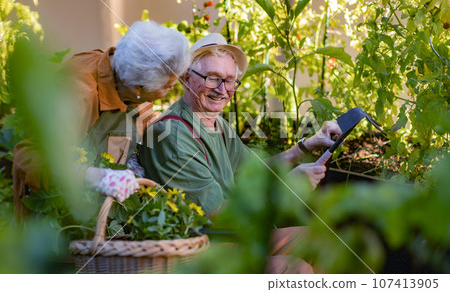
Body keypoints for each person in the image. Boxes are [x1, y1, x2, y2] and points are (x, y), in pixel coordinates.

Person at [138, 33, 341, 215]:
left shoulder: (216, 124)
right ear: (186, 78)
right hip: (208, 248)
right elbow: (216, 213)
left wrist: (308, 145)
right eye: (212, 78)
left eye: (229, 81)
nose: (222, 89)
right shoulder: (172, 136)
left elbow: (257, 171)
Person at [13, 20, 190, 214]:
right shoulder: (78, 94)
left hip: (100, 217)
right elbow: (30, 157)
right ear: (137, 88)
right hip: (57, 218)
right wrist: (97, 177)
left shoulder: (131, 75)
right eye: (167, 86)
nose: (172, 89)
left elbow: (143, 124)